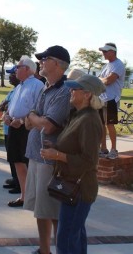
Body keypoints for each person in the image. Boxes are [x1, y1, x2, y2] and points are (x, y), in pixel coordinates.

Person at [40, 74, 105, 254]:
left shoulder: (89, 120)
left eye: (74, 89)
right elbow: (75, 146)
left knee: (66, 239)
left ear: (87, 95)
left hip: (80, 189)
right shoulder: (79, 115)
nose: (70, 91)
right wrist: (55, 147)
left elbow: (89, 160)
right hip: (73, 186)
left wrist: (58, 155)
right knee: (74, 235)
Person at [24, 45, 71, 254]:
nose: (41, 61)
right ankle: (44, 250)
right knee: (39, 210)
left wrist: (35, 119)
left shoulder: (64, 90)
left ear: (57, 64)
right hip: (35, 155)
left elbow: (49, 125)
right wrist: (36, 119)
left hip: (49, 161)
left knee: (53, 211)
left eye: (45, 58)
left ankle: (60, 249)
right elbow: (29, 120)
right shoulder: (45, 87)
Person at [4, 56, 44, 208]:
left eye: (18, 67)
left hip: (28, 129)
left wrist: (21, 121)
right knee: (17, 162)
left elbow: (38, 110)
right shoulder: (20, 86)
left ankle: (34, 197)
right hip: (14, 128)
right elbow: (12, 106)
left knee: (29, 163)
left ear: (27, 69)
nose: (15, 70)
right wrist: (7, 115)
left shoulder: (37, 85)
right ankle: (24, 196)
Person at [98, 43, 125, 159]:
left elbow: (109, 80)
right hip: (102, 99)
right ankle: (103, 148)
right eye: (103, 51)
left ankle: (113, 149)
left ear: (113, 52)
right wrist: (101, 80)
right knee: (101, 125)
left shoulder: (118, 64)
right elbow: (100, 79)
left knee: (110, 124)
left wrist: (101, 80)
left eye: (105, 51)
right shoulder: (106, 66)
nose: (103, 53)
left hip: (112, 99)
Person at [1, 65, 21, 193]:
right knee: (11, 156)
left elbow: (9, 106)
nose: (10, 76)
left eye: (12, 74)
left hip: (14, 128)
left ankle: (19, 183)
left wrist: (5, 105)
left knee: (17, 157)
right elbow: (3, 105)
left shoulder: (20, 90)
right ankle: (15, 178)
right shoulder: (13, 90)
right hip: (7, 128)